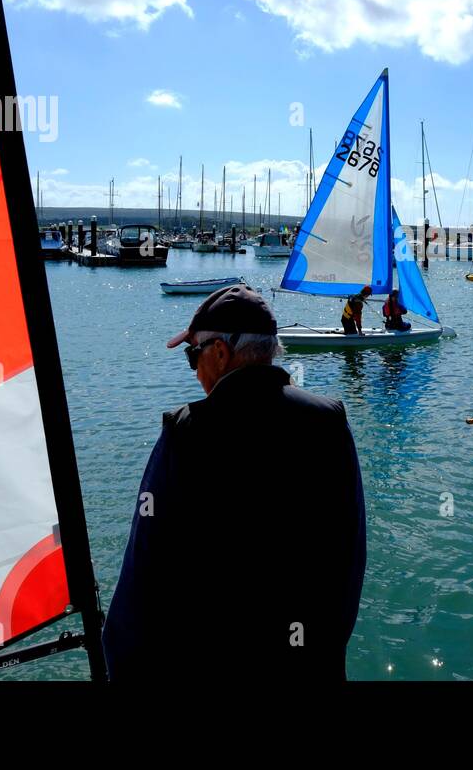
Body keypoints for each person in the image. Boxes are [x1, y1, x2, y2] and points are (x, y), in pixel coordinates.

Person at [102, 285, 366, 680]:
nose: (193, 369)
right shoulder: (329, 421)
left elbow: (141, 585)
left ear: (221, 353)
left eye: (194, 355)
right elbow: (349, 558)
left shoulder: (185, 434)